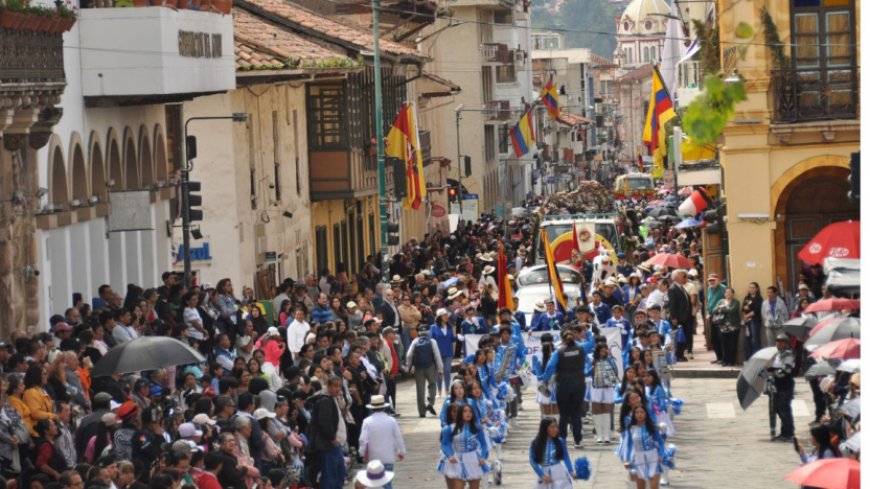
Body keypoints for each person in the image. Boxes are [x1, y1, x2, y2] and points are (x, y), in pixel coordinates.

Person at [538, 328, 587, 448]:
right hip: (579, 384)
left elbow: (550, 367)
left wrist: (544, 379)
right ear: (573, 337)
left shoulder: (558, 352)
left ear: (562, 340)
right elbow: (591, 343)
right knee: (576, 413)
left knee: (564, 414)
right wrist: (586, 329)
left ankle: (562, 439)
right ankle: (578, 440)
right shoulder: (581, 349)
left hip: (563, 385)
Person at [436, 404, 489, 488]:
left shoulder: (477, 427)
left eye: (470, 411)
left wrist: (483, 457)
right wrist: (450, 455)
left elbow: (484, 445)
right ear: (460, 413)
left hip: (474, 460)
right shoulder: (449, 428)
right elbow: (444, 444)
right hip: (458, 461)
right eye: (465, 411)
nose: (468, 413)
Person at [309, 375, 348, 489]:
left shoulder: (332, 398)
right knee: (331, 475)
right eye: (335, 386)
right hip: (328, 445)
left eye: (340, 386)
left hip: (333, 444)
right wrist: (332, 439)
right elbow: (325, 422)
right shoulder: (325, 400)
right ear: (328, 386)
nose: (338, 389)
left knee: (339, 473)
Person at [358, 395, 405, 489]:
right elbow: (398, 437)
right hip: (388, 457)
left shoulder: (367, 421)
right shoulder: (391, 420)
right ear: (384, 407)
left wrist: (362, 453)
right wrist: (401, 451)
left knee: (374, 484)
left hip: (373, 459)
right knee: (387, 483)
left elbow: (363, 439)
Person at [623, 405, 666, 489]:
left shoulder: (652, 427)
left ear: (646, 414)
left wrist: (661, 454)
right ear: (634, 415)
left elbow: (660, 442)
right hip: (638, 459)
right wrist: (627, 460)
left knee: (654, 486)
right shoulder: (631, 428)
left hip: (653, 458)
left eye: (642, 412)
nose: (639, 414)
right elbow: (628, 445)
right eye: (637, 412)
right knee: (640, 486)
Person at [406, 325, 443, 418]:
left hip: (418, 368)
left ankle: (422, 412)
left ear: (419, 332)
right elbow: (437, 356)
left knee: (420, 390)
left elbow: (408, 355)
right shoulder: (432, 341)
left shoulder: (415, 341)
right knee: (432, 384)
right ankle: (430, 403)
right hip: (430, 366)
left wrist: (409, 366)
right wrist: (440, 369)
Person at [529, 417, 575, 489]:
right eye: (552, 427)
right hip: (544, 472)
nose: (556, 429)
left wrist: (571, 471)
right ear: (545, 428)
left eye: (556, 427)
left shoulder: (560, 441)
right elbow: (532, 461)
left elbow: (566, 457)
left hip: (559, 473)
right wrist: (542, 475)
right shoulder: (535, 442)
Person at [590, 342, 619, 444]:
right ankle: (599, 434)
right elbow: (587, 373)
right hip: (596, 388)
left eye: (604, 350)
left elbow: (616, 372)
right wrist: (591, 370)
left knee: (607, 411)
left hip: (608, 388)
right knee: (597, 411)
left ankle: (607, 434)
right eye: (601, 351)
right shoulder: (593, 361)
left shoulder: (610, 359)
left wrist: (610, 358)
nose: (603, 353)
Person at [769, 333, 795, 442]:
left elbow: (786, 370)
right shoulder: (777, 354)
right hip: (777, 386)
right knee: (778, 409)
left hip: (786, 385)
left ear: (786, 343)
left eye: (781, 341)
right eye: (777, 341)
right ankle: (784, 431)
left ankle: (789, 432)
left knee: (784, 408)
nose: (779, 343)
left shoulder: (788, 355)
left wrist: (773, 373)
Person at [429, 308, 456, 397]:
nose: (446, 317)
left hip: (448, 352)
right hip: (438, 353)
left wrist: (458, 337)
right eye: (444, 315)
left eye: (446, 315)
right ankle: (439, 391)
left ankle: (447, 390)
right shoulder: (433, 327)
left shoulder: (449, 327)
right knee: (439, 372)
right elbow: (431, 340)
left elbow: (452, 339)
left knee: (447, 370)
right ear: (440, 317)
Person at [668, 270, 693, 362]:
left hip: (685, 317)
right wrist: (674, 317)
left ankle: (681, 354)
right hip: (678, 318)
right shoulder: (673, 288)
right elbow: (672, 305)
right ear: (677, 277)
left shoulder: (681, 287)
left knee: (685, 337)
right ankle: (679, 355)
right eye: (682, 276)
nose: (684, 277)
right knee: (679, 338)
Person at [712, 287, 741, 366]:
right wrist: (721, 308)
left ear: (733, 294)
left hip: (733, 326)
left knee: (733, 344)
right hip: (723, 326)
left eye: (730, 292)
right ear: (724, 294)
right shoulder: (720, 301)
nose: (728, 294)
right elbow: (714, 310)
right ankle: (725, 360)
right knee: (724, 344)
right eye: (727, 292)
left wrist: (722, 309)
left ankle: (732, 360)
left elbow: (732, 310)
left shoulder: (736, 302)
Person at [742, 282, 763, 358]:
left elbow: (756, 310)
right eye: (750, 287)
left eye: (753, 287)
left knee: (755, 339)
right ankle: (748, 357)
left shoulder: (759, 298)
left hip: (755, 321)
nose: (751, 289)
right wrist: (745, 317)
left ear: (757, 289)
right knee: (747, 339)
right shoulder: (747, 298)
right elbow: (743, 309)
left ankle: (757, 357)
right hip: (747, 322)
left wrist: (747, 316)